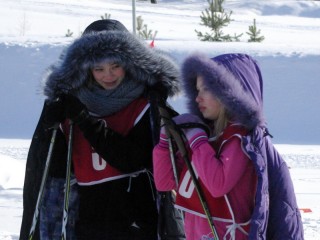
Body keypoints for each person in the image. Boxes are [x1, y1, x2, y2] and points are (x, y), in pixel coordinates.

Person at [19, 19, 181, 240]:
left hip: (137, 221)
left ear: (130, 63)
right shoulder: (69, 104)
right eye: (99, 68)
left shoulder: (144, 105)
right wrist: (51, 128)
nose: (109, 75)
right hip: (87, 221)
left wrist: (85, 120)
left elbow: (130, 158)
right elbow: (50, 175)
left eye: (116, 66)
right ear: (86, 69)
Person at [153, 53, 304, 239]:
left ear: (229, 93)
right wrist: (164, 144)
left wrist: (196, 138)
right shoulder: (207, 137)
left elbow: (218, 184)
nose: (198, 98)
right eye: (197, 90)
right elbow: (165, 183)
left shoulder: (240, 139)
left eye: (206, 89)